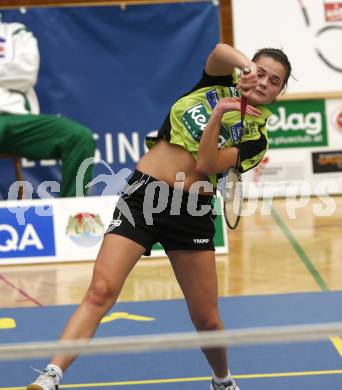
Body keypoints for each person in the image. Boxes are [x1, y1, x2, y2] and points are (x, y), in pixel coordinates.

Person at [27, 43, 292, 390]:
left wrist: (219, 116)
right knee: (101, 291)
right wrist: (243, 68)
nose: (263, 82)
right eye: (260, 72)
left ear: (279, 93)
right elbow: (219, 50)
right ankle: (51, 375)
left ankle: (222, 381)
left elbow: (206, 165)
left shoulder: (256, 137)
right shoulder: (212, 85)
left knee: (207, 320)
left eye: (273, 81)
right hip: (143, 195)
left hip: (191, 212)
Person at [0, 21, 96, 198]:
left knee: (79, 137)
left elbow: (26, 73)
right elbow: (16, 73)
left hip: (18, 120)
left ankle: (72, 215)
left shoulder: (16, 32)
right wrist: (7, 70)